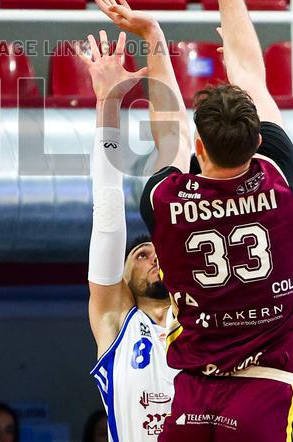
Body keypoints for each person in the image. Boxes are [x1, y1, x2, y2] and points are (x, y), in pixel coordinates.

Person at [94, 0, 293, 441]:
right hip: (265, 391)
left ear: (200, 146)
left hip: (191, 398)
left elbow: (166, 129)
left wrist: (154, 40)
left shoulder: (169, 201)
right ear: (258, 141)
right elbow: (247, 69)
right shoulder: (278, 181)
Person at [80, 31, 178, 440]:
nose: (153, 257)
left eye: (158, 251)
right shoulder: (115, 319)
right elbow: (107, 216)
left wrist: (155, 39)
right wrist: (109, 104)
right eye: (140, 254)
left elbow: (179, 158)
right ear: (120, 279)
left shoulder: (199, 317)